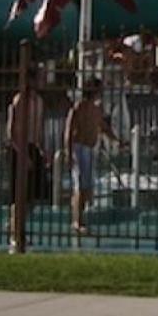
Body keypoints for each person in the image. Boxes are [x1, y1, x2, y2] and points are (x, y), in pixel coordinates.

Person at [64, 82, 118, 235]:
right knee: (80, 186)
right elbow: (69, 131)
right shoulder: (78, 108)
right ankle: (77, 221)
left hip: (90, 149)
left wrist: (115, 139)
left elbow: (103, 127)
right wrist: (68, 153)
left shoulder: (96, 109)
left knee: (87, 187)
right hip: (79, 148)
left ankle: (80, 218)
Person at [6, 77, 46, 253]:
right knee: (18, 195)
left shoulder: (38, 101)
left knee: (33, 196)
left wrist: (41, 150)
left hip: (33, 147)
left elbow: (38, 128)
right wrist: (23, 155)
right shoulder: (19, 101)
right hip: (20, 147)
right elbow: (11, 132)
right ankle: (16, 235)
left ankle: (17, 226)